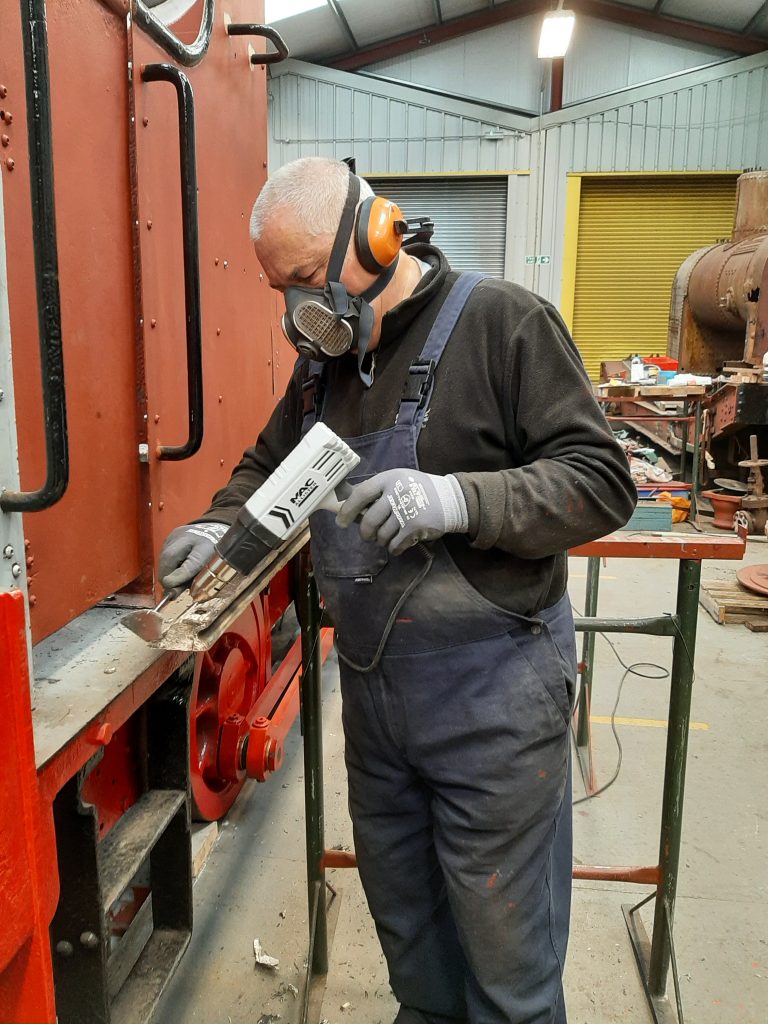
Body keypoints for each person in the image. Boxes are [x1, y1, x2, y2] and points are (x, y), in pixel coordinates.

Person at [159, 157, 636, 1024]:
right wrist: (215, 531)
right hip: (380, 708)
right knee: (412, 942)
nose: (297, 313)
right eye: (281, 290)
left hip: (495, 707)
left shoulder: (503, 323)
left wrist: (459, 498)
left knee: (506, 966)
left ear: (375, 236)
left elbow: (601, 481)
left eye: (305, 281)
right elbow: (271, 472)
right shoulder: (324, 372)